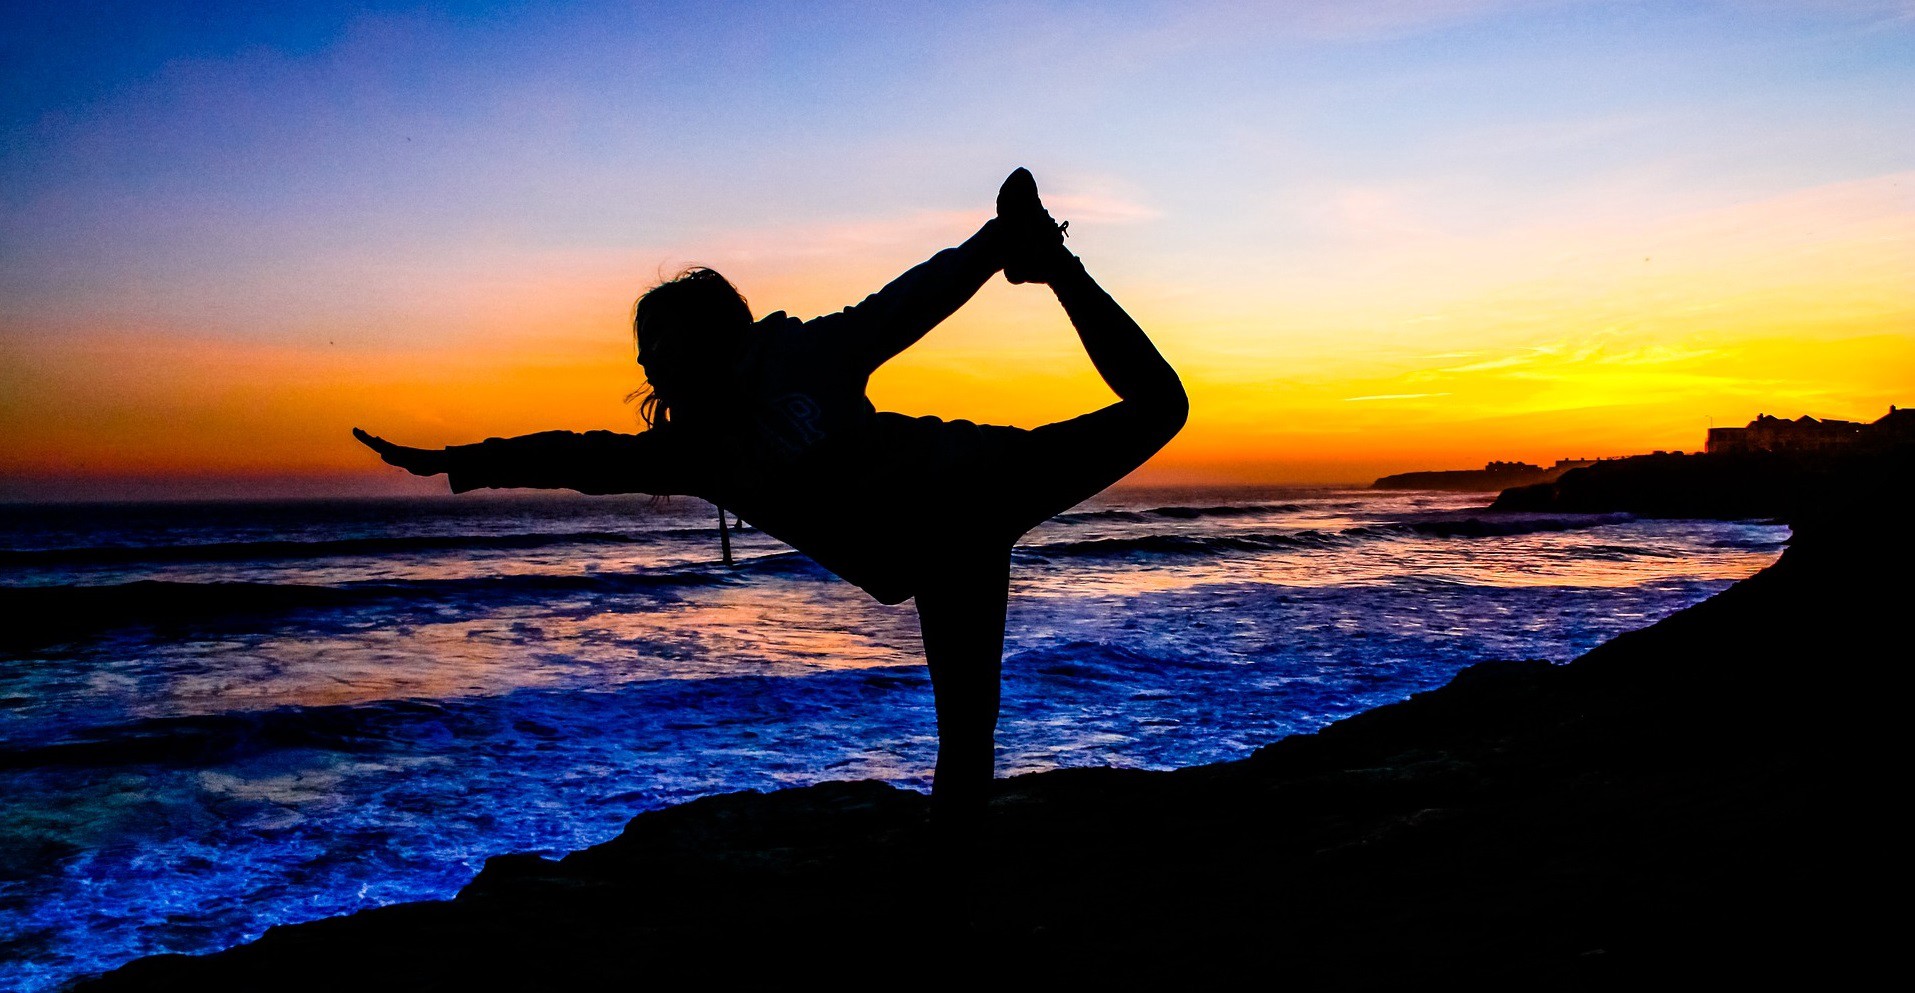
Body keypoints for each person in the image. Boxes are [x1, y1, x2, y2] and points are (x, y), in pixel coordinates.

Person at [355, 169, 1187, 820]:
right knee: (966, 739)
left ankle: (1050, 263)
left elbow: (908, 301)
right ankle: (948, 917)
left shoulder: (804, 357)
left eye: (655, 347)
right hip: (940, 555)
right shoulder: (695, 454)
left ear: (700, 339)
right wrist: (456, 458)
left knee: (1162, 407)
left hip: (973, 479)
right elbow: (582, 456)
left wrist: (994, 241)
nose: (645, 367)